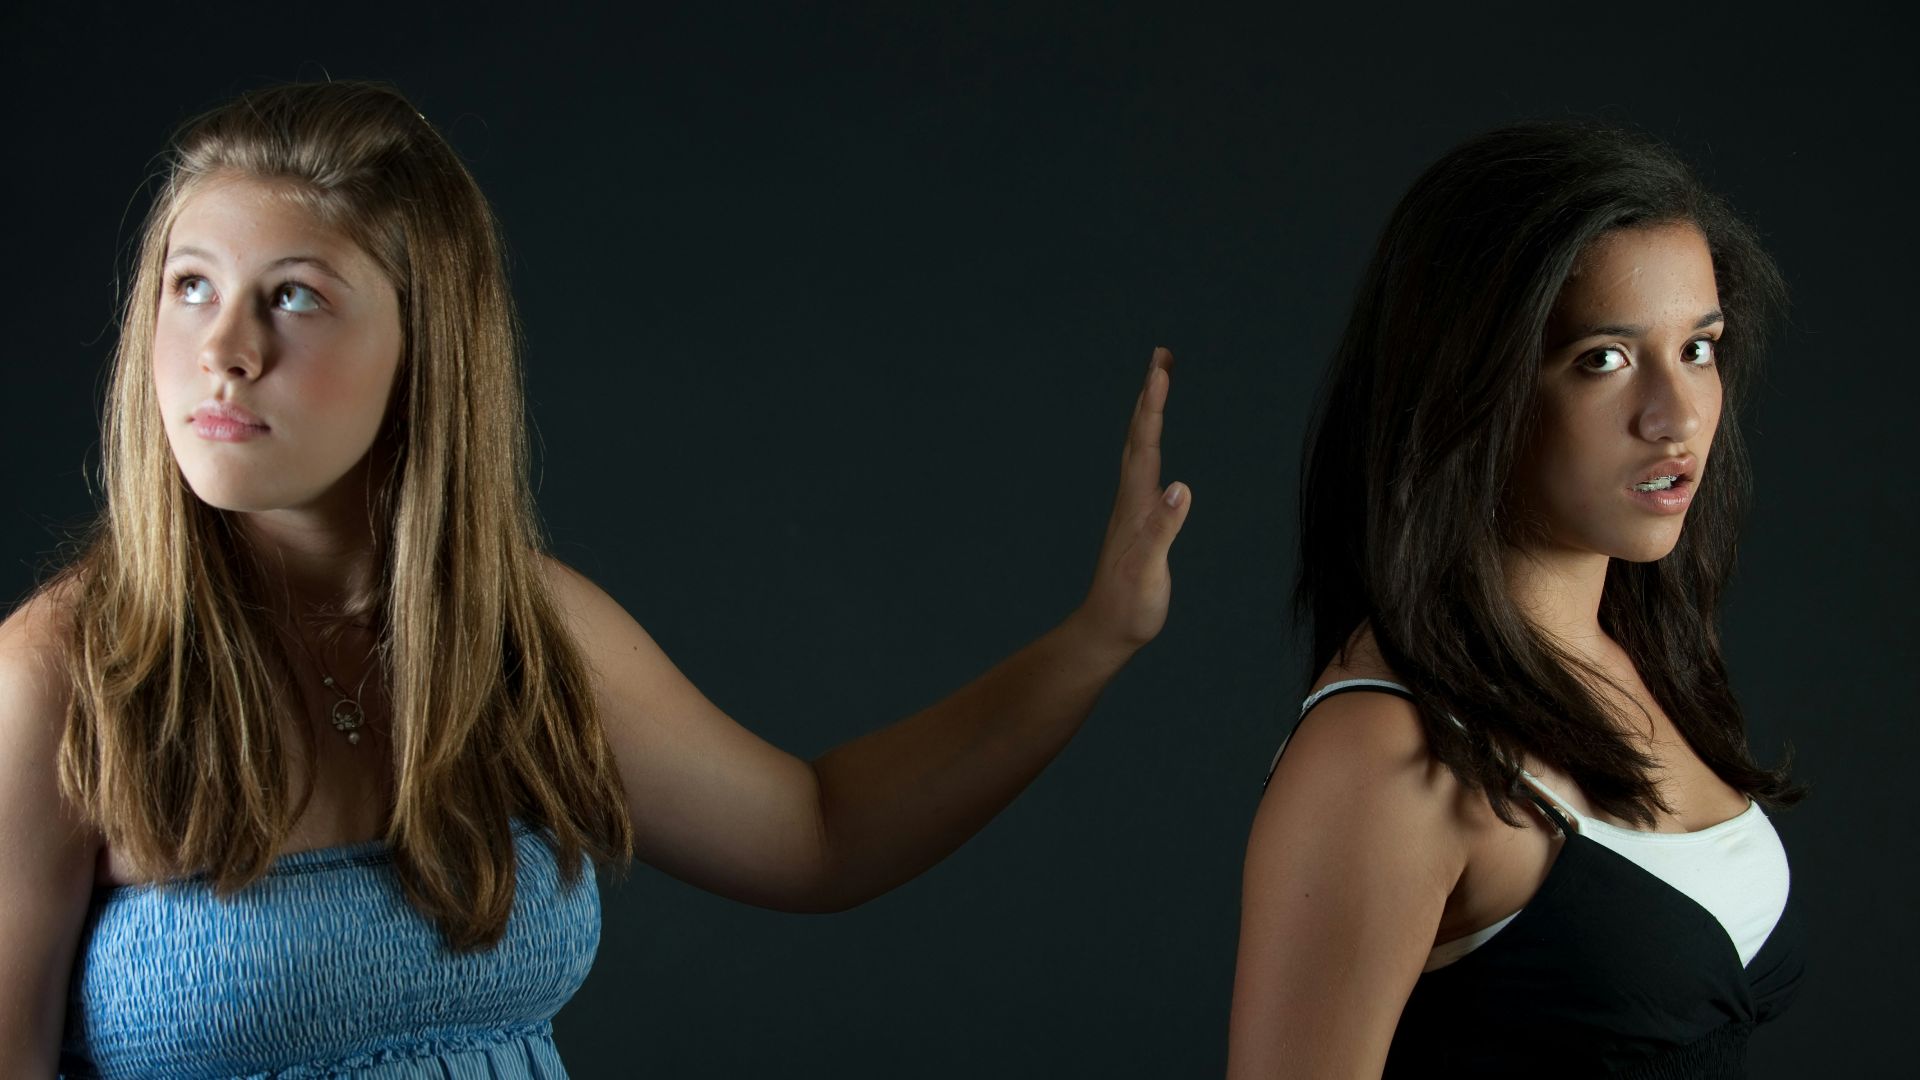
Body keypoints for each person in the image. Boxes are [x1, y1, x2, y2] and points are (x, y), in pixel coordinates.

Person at [0, 80, 1191, 1077]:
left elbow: (819, 835)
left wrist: (1092, 642)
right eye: (190, 284)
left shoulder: (522, 635)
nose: (225, 349)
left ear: (429, 346)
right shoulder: (56, 683)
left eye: (295, 295)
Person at [1227, 122, 1805, 1078]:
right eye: (1604, 360)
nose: (1678, 416)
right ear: (1473, 384)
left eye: (1700, 348)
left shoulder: (1629, 650)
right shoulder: (1388, 755)